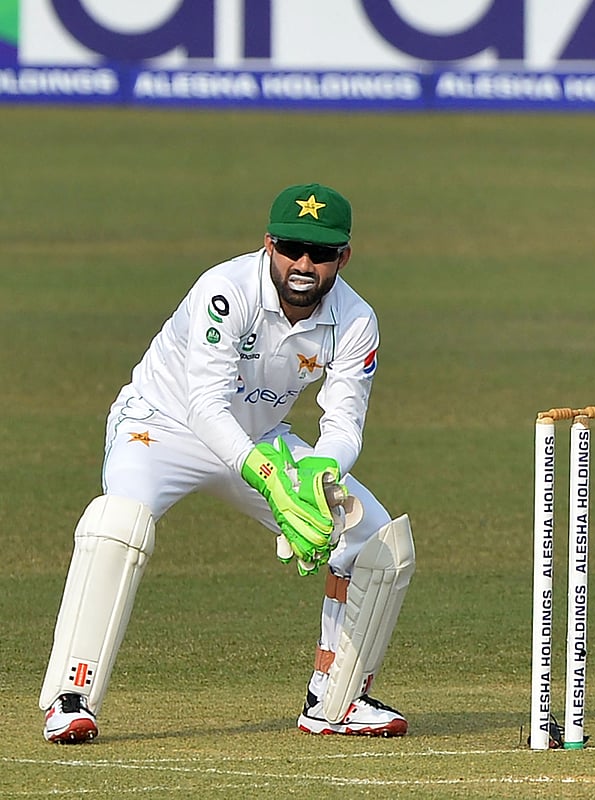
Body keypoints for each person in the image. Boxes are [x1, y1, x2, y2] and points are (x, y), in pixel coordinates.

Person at [40, 183, 415, 743]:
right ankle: (71, 697)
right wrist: (265, 474)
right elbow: (205, 405)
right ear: (268, 244)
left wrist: (320, 471)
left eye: (321, 252)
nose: (304, 263)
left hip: (262, 435)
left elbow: (342, 424)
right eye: (291, 247)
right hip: (162, 426)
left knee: (376, 541)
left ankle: (336, 699)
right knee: (120, 522)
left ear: (345, 256)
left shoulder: (357, 319)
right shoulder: (224, 290)